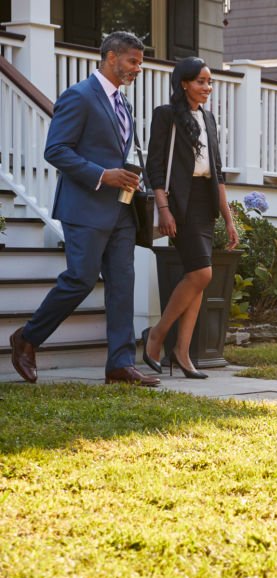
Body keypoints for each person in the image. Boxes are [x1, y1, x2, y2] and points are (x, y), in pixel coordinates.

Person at [8, 32, 158, 386]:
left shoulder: (124, 104)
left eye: (140, 62)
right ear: (110, 57)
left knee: (123, 284)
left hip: (121, 210)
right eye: (132, 61)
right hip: (85, 207)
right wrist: (102, 175)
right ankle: (27, 338)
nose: (138, 68)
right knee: (80, 279)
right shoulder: (78, 96)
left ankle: (120, 365)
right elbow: (56, 150)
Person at [142, 57, 238, 379]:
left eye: (209, 82)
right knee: (201, 273)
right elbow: (154, 166)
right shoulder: (166, 115)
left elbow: (218, 173)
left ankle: (182, 352)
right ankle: (157, 335)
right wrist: (164, 207)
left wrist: (228, 218)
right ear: (184, 83)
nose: (207, 87)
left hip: (205, 203)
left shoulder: (208, 119)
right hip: (179, 204)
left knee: (198, 280)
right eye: (200, 81)